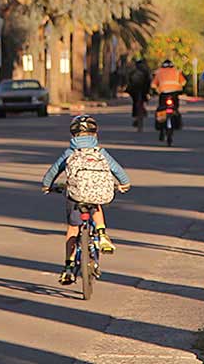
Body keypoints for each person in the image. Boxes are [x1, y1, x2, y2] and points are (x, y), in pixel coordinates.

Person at [41, 114, 131, 285]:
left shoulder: (70, 152)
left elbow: (53, 171)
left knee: (73, 229)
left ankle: (68, 267)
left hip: (76, 197)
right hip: (98, 196)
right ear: (95, 134)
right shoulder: (100, 153)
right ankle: (102, 234)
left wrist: (47, 186)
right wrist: (124, 184)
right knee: (96, 205)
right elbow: (118, 171)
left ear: (73, 135)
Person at [151, 59, 187, 135]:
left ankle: (160, 124)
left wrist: (157, 89)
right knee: (175, 108)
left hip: (163, 93)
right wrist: (180, 86)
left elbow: (153, 85)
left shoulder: (159, 72)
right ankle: (177, 122)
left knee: (161, 109)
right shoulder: (177, 72)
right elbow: (183, 82)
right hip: (174, 92)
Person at [126, 57, 152, 128]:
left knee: (135, 102)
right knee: (142, 100)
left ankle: (136, 116)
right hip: (143, 89)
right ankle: (142, 111)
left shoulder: (133, 71)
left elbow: (129, 81)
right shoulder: (146, 71)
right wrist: (149, 92)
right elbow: (149, 82)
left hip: (134, 90)